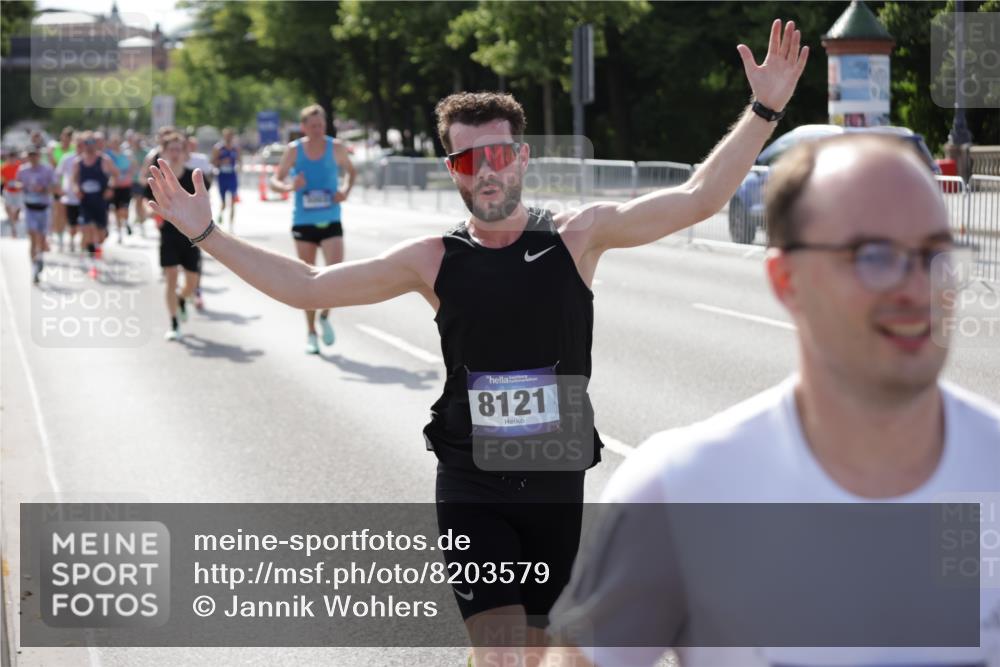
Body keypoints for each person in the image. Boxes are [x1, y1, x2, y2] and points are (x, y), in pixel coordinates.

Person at [145, 19, 806, 666]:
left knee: (541, 651)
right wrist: (207, 236)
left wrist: (764, 106)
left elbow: (697, 197)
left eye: (497, 154)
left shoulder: (579, 236)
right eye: (468, 159)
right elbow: (309, 286)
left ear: (520, 157)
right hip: (471, 482)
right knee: (501, 647)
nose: (485, 171)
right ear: (452, 169)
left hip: (557, 479)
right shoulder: (433, 258)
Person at [542, 134, 1000, 667]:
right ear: (788, 281)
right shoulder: (684, 487)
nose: (916, 286)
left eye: (935, 253)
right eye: (873, 255)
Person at [270, 104, 357, 354]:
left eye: (322, 125)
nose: (319, 130)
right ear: (304, 127)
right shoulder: (294, 151)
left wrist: (345, 191)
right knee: (308, 280)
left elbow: (352, 172)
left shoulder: (336, 147)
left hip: (331, 218)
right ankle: (310, 332)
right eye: (313, 126)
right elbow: (276, 181)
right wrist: (289, 187)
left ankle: (325, 316)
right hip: (304, 221)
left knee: (336, 276)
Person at [142, 132, 201, 341]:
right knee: (171, 278)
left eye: (179, 149)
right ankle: (174, 322)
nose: (175, 153)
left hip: (192, 235)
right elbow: (146, 198)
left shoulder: (194, 176)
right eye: (172, 150)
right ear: (164, 152)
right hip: (168, 234)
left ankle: (182, 299)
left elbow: (204, 204)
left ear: (185, 152)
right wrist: (149, 211)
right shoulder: (159, 178)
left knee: (192, 283)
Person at [71, 132, 119, 276]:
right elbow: (73, 180)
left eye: (92, 143)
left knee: (101, 235)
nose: (89, 146)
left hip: (100, 202)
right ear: (82, 145)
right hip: (85, 202)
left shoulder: (104, 160)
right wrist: (76, 190)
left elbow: (115, 175)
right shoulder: (78, 162)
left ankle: (94, 249)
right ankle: (93, 264)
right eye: (86, 143)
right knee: (88, 229)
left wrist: (110, 188)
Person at [14, 147, 57, 283]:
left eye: (35, 155)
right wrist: (21, 186)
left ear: (39, 156)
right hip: (29, 208)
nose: (32, 158)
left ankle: (40, 258)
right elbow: (17, 183)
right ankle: (34, 268)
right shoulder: (23, 170)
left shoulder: (47, 170)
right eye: (30, 155)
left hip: (44, 209)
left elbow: (55, 187)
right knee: (33, 236)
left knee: (42, 239)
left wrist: (43, 188)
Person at [48, 126, 75, 248]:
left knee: (69, 213)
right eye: (66, 136)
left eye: (70, 137)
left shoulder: (75, 149)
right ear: (62, 137)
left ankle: (70, 236)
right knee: (59, 211)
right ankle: (59, 236)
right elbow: (53, 167)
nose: (67, 139)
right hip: (58, 184)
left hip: (71, 186)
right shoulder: (55, 149)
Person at [106, 134, 136, 242]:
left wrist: (129, 175)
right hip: (115, 186)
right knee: (116, 210)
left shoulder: (127, 154)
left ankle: (126, 222)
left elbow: (133, 166)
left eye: (116, 143)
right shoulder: (108, 156)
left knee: (124, 209)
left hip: (126, 185)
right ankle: (119, 234)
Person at [212, 127, 241, 231]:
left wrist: (239, 167)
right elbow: (213, 162)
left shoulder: (236, 148)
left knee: (233, 200)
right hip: (222, 176)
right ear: (224, 136)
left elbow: (239, 160)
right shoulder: (218, 148)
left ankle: (231, 225)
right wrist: (222, 162)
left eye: (230, 136)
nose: (229, 138)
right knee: (224, 202)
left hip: (232, 176)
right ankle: (221, 213)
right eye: (227, 136)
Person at [1, 150, 23, 237]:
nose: (11, 160)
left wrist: (18, 183)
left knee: (18, 208)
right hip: (8, 190)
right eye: (10, 158)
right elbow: (2, 180)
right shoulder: (3, 167)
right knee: (7, 207)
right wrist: (7, 183)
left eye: (13, 158)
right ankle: (13, 225)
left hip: (18, 191)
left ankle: (14, 220)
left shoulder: (20, 167)